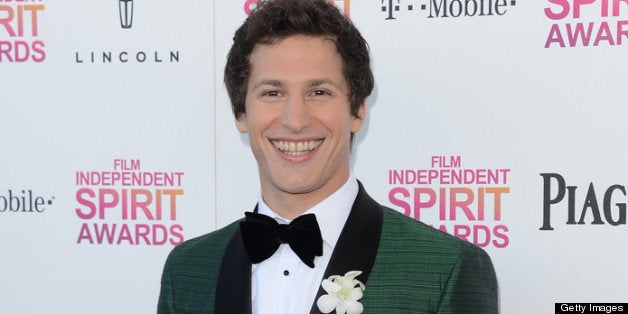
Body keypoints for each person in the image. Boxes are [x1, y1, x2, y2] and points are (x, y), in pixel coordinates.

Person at [157, 0, 498, 313]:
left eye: (319, 92)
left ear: (358, 110)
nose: (295, 120)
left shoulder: (444, 269)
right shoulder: (188, 269)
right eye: (272, 92)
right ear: (241, 114)